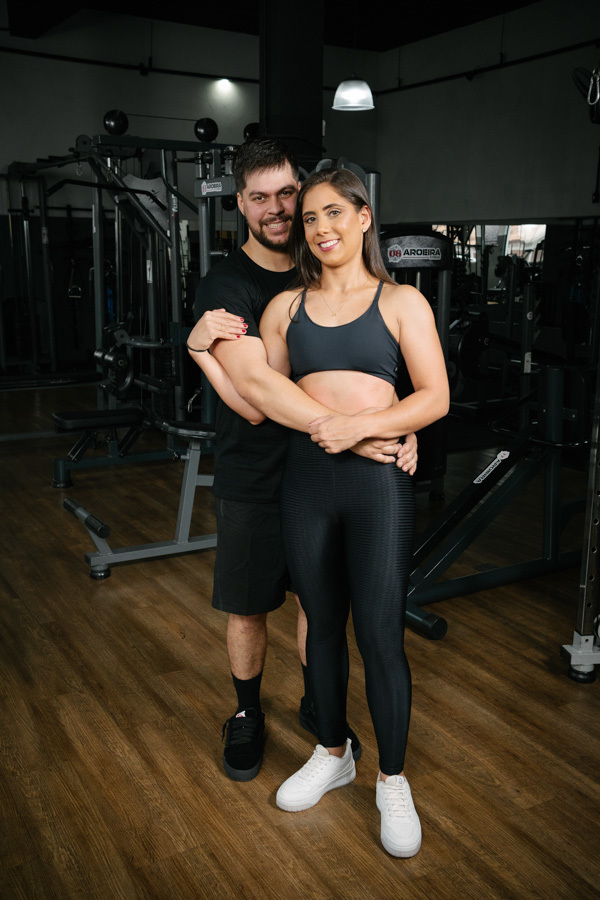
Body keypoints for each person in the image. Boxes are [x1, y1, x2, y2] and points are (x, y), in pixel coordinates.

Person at [187, 138, 418, 784]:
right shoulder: (227, 286)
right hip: (258, 473)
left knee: (320, 604)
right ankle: (247, 713)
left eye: (289, 194)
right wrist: (347, 428)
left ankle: (324, 711)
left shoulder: (325, 267)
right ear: (241, 205)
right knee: (251, 604)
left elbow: (365, 357)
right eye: (260, 198)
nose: (280, 210)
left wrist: (392, 419)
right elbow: (260, 394)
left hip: (325, 471)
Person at [254, 167, 449, 858]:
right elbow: (266, 398)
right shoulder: (285, 308)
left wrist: (377, 427)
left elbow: (434, 397)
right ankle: (333, 751)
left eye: (334, 213)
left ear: (365, 218)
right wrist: (204, 349)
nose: (321, 229)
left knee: (379, 633)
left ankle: (391, 779)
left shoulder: (401, 304)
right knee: (321, 626)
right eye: (309, 218)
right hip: (307, 479)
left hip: (377, 484)